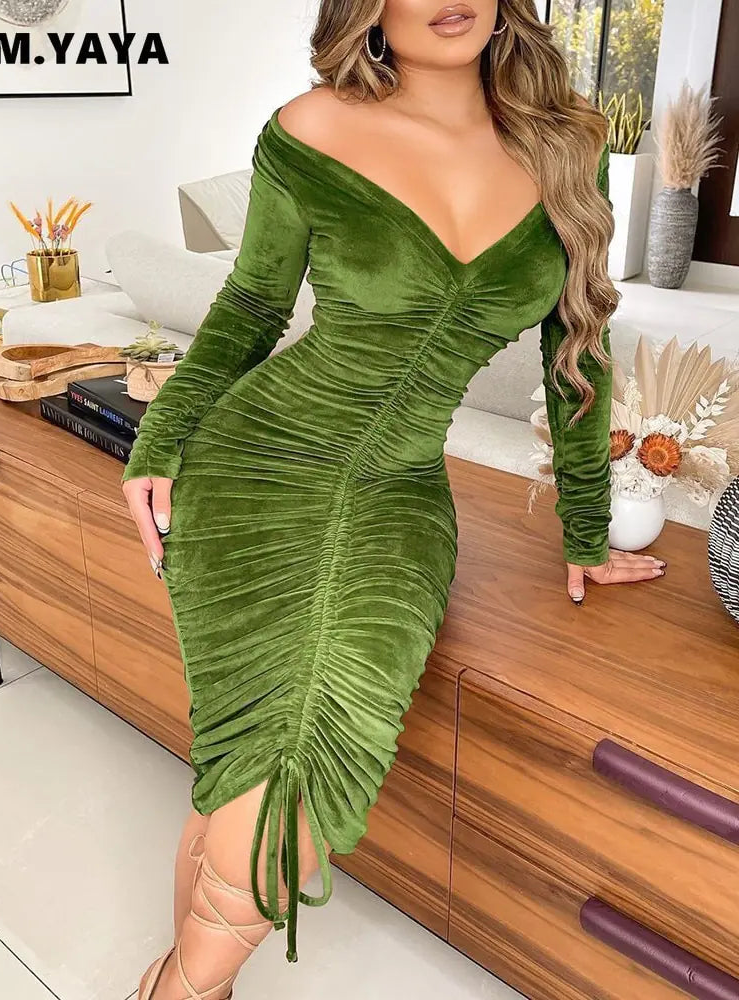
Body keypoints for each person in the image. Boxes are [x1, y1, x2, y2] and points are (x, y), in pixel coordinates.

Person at [123, 2, 667, 997]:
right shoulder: (312, 128)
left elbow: (577, 359)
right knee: (258, 739)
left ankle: (176, 982)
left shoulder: (566, 150)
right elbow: (250, 307)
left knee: (302, 740)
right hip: (255, 464)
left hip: (401, 492)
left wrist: (585, 532)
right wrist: (156, 444)